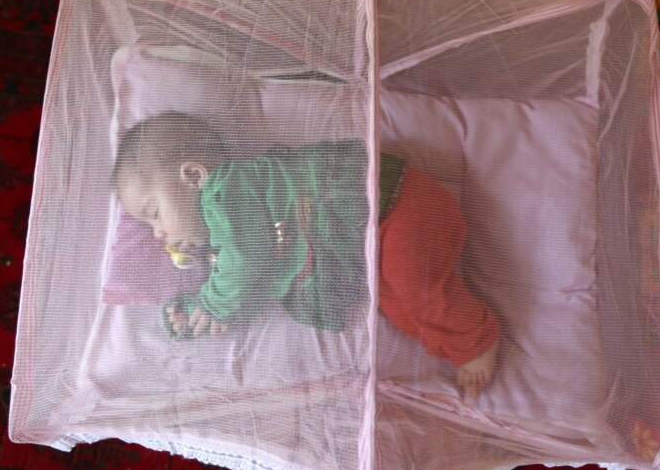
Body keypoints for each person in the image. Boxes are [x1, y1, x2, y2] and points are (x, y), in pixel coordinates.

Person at [112, 111, 500, 399]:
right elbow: (248, 271)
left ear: (195, 176)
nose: (158, 232)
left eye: (154, 213)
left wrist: (213, 303)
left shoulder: (227, 188)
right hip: (380, 237)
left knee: (417, 291)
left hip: (397, 207)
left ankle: (477, 338)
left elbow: (246, 258)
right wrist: (200, 306)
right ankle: (446, 339)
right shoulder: (226, 230)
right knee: (396, 305)